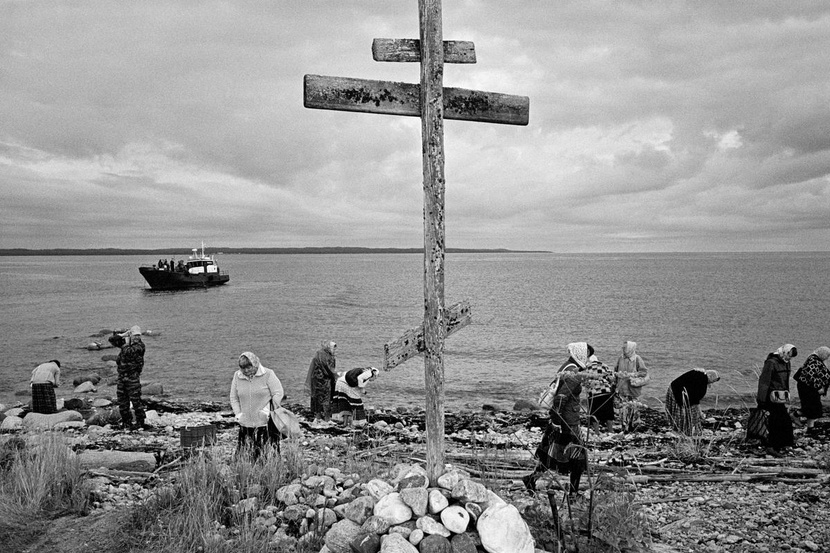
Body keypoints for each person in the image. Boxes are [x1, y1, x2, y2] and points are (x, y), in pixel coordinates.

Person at [524, 342, 597, 499]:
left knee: (550, 455)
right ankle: (573, 493)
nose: (589, 359)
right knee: (578, 457)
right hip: (567, 421)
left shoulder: (568, 366)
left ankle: (531, 479)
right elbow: (561, 398)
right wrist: (557, 421)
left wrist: (555, 419)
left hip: (561, 419)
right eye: (588, 355)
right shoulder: (573, 373)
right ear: (581, 355)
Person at [230, 352, 284, 458]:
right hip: (245, 422)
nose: (246, 371)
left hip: (266, 422)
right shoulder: (237, 376)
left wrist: (267, 411)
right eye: (243, 368)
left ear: (255, 364)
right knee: (245, 454)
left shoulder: (268, 374)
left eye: (249, 367)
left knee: (267, 454)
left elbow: (278, 393)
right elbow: (234, 398)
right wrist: (238, 414)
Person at [756, 344, 797, 457]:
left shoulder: (786, 362)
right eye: (789, 355)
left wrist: (787, 394)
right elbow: (764, 381)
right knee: (776, 420)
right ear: (785, 351)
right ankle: (772, 446)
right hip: (770, 396)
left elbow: (786, 381)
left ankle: (783, 443)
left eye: (791, 357)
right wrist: (761, 399)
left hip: (781, 396)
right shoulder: (771, 362)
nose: (789, 358)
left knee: (784, 420)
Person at [664, 368, 720, 435]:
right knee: (688, 412)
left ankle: (679, 429)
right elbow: (695, 400)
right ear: (710, 377)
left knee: (683, 411)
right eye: (713, 381)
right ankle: (683, 430)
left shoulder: (700, 374)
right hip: (677, 392)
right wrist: (700, 412)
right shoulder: (702, 382)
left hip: (674, 388)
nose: (712, 383)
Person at [112, 325, 147, 431]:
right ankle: (126, 422)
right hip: (122, 378)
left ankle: (140, 422)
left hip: (133, 379)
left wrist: (126, 341)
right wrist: (122, 335)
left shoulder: (140, 346)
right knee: (122, 402)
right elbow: (112, 340)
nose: (137, 337)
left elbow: (128, 351)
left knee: (136, 401)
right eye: (134, 335)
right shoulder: (126, 344)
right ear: (131, 335)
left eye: (138, 335)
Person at [793, 346, 829, 433]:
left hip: (809, 387)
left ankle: (810, 428)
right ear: (823, 354)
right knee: (811, 407)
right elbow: (811, 375)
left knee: (813, 408)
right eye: (827, 355)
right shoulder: (813, 360)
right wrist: (819, 387)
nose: (827, 357)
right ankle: (794, 415)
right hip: (807, 388)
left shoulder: (816, 359)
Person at [614, 340, 649, 432]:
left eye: (624, 347)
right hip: (622, 388)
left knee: (633, 408)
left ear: (630, 348)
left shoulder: (637, 359)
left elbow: (643, 372)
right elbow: (616, 370)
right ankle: (624, 426)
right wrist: (615, 383)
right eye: (623, 347)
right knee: (623, 408)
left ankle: (633, 426)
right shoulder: (620, 358)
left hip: (633, 388)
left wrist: (631, 375)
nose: (622, 349)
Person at [305, 341, 337, 421]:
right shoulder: (326, 356)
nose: (334, 350)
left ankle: (318, 417)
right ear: (329, 347)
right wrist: (335, 376)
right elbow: (327, 368)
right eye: (333, 348)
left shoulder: (318, 354)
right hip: (324, 381)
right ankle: (326, 418)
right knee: (326, 398)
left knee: (317, 398)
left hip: (315, 380)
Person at [584, 354, 616, 433]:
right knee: (609, 414)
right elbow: (612, 378)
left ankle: (597, 432)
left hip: (594, 394)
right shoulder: (604, 365)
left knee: (594, 414)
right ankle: (610, 431)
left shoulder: (587, 368)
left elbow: (585, 382)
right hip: (606, 392)